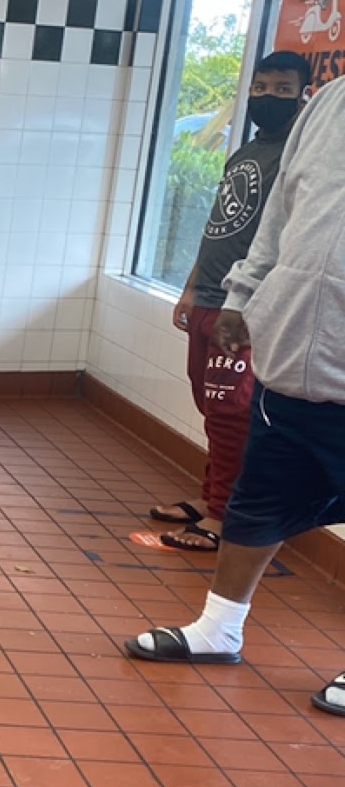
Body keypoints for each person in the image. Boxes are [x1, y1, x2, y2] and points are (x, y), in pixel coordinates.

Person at [125, 71, 345, 717]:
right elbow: (279, 215)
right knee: (257, 501)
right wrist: (243, 295)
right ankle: (218, 629)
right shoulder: (331, 102)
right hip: (294, 361)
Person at [147, 51, 310, 551]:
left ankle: (223, 516)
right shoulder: (246, 152)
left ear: (303, 96)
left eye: (282, 90)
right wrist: (190, 287)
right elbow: (219, 225)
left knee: (230, 412)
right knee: (208, 403)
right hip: (208, 297)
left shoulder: (299, 159)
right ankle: (211, 496)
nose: (268, 97)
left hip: (245, 307)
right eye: (260, 87)